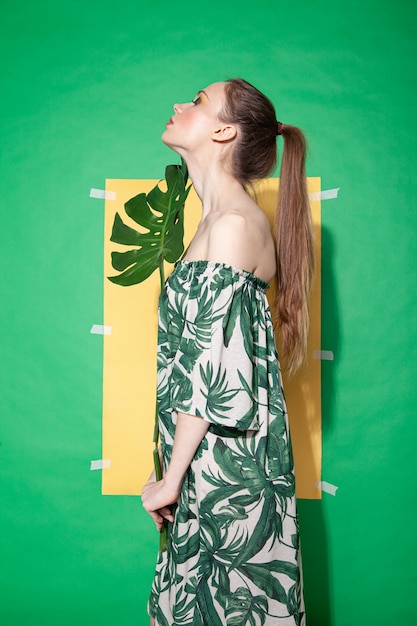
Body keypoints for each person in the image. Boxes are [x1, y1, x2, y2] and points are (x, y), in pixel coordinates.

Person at [141, 78, 314, 626]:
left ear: (223, 130)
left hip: (228, 473)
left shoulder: (235, 227)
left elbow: (212, 373)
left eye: (196, 101)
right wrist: (174, 473)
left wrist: (172, 477)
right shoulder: (212, 225)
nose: (178, 104)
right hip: (204, 466)